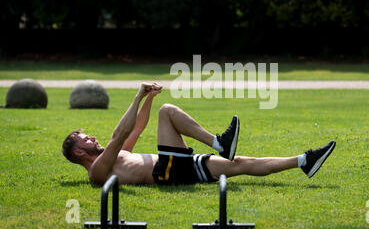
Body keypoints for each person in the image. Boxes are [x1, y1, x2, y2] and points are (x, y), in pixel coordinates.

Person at [62, 82, 336, 185]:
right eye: (86, 139)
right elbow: (118, 136)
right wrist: (136, 95)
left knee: (239, 164)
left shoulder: (114, 157)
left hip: (180, 168)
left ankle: (304, 161)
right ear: (78, 152)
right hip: (167, 172)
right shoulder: (98, 171)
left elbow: (135, 128)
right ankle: (219, 142)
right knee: (168, 112)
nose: (92, 138)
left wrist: (148, 98)